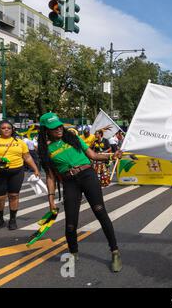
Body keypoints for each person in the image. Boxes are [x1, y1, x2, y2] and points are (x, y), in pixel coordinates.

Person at [37, 112, 123, 272]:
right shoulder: (45, 149)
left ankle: (115, 251)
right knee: (70, 223)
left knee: (100, 212)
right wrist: (50, 200)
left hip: (87, 175)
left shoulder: (73, 138)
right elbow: (50, 176)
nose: (58, 129)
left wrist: (112, 155)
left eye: (59, 125)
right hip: (69, 182)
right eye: (53, 127)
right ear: (45, 130)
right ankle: (73, 252)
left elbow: (94, 155)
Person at [0, 121, 40, 230]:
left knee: (13, 196)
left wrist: (35, 169)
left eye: (8, 128)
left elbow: (27, 157)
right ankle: (0, 220)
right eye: (3, 128)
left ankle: (12, 219)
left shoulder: (20, 142)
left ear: (12, 130)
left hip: (17, 171)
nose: (6, 129)